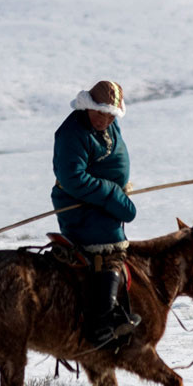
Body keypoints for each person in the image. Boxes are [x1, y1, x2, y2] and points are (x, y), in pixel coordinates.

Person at [52, 80, 140, 346]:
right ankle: (102, 324)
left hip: (101, 203)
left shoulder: (111, 126)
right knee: (109, 248)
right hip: (78, 205)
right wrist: (113, 194)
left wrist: (120, 188)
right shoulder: (71, 133)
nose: (104, 118)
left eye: (110, 113)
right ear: (87, 106)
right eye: (99, 112)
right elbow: (73, 178)